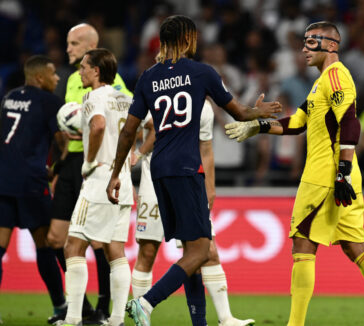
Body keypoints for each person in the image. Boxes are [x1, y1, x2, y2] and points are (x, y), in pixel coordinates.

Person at [105, 15, 281, 326]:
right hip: (186, 168)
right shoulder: (202, 73)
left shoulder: (147, 77)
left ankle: (198, 323)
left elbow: (129, 131)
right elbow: (238, 113)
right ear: (188, 39)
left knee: (191, 249)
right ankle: (145, 303)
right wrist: (260, 113)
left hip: (159, 169)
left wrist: (116, 173)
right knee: (200, 250)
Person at [225, 21, 364, 326]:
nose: (304, 48)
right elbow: (298, 123)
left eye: (312, 42)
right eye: (304, 42)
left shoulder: (336, 76)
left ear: (332, 45)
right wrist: (258, 126)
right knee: (355, 246)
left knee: (302, 245)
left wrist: (341, 172)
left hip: (325, 175)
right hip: (341, 174)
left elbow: (350, 121)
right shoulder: (321, 82)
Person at [130, 100, 255, 326]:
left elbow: (205, 149)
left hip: (189, 182)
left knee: (205, 250)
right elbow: (130, 128)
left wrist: (211, 187)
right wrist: (133, 157)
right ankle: (142, 312)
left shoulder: (203, 106)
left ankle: (224, 319)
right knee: (148, 252)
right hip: (153, 179)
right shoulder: (153, 90)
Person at [48, 23, 133, 324]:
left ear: (96, 71)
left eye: (84, 67)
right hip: (122, 181)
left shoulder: (93, 97)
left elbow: (97, 126)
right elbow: (142, 127)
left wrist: (89, 160)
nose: (80, 72)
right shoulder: (125, 99)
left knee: (73, 245)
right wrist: (131, 156)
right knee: (116, 250)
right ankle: (117, 319)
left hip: (98, 180)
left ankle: (72, 318)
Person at [0, 55, 67, 324]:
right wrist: (61, 170)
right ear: (40, 77)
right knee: (47, 244)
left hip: (3, 179)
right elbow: (63, 141)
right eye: (53, 73)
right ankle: (62, 306)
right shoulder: (50, 102)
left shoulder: (8, 97)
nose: (57, 77)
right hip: (30, 182)